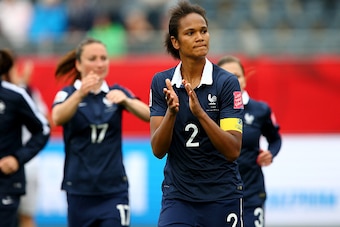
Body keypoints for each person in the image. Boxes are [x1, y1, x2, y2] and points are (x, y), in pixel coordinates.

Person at [149, 1, 244, 226]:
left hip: (222, 196)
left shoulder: (227, 83)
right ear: (176, 41)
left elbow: (233, 150)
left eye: (203, 31)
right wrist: (172, 113)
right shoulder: (161, 83)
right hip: (179, 198)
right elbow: (157, 150)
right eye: (190, 33)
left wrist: (201, 114)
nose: (200, 37)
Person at [51, 37, 150, 227]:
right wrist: (80, 94)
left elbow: (148, 115)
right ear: (79, 64)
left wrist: (127, 101)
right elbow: (57, 117)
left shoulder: (116, 91)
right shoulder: (68, 93)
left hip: (114, 190)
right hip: (79, 190)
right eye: (92, 58)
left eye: (104, 58)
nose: (99, 64)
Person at [217, 55, 282, 227]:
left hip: (252, 193)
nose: (232, 81)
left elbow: (275, 139)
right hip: (219, 195)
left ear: (245, 79)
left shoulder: (261, 110)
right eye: (226, 77)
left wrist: (271, 153)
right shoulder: (208, 112)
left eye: (236, 76)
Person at [0, 49, 50, 227]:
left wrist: (17, 157)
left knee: (25, 217)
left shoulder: (18, 95)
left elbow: (45, 124)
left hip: (18, 168)